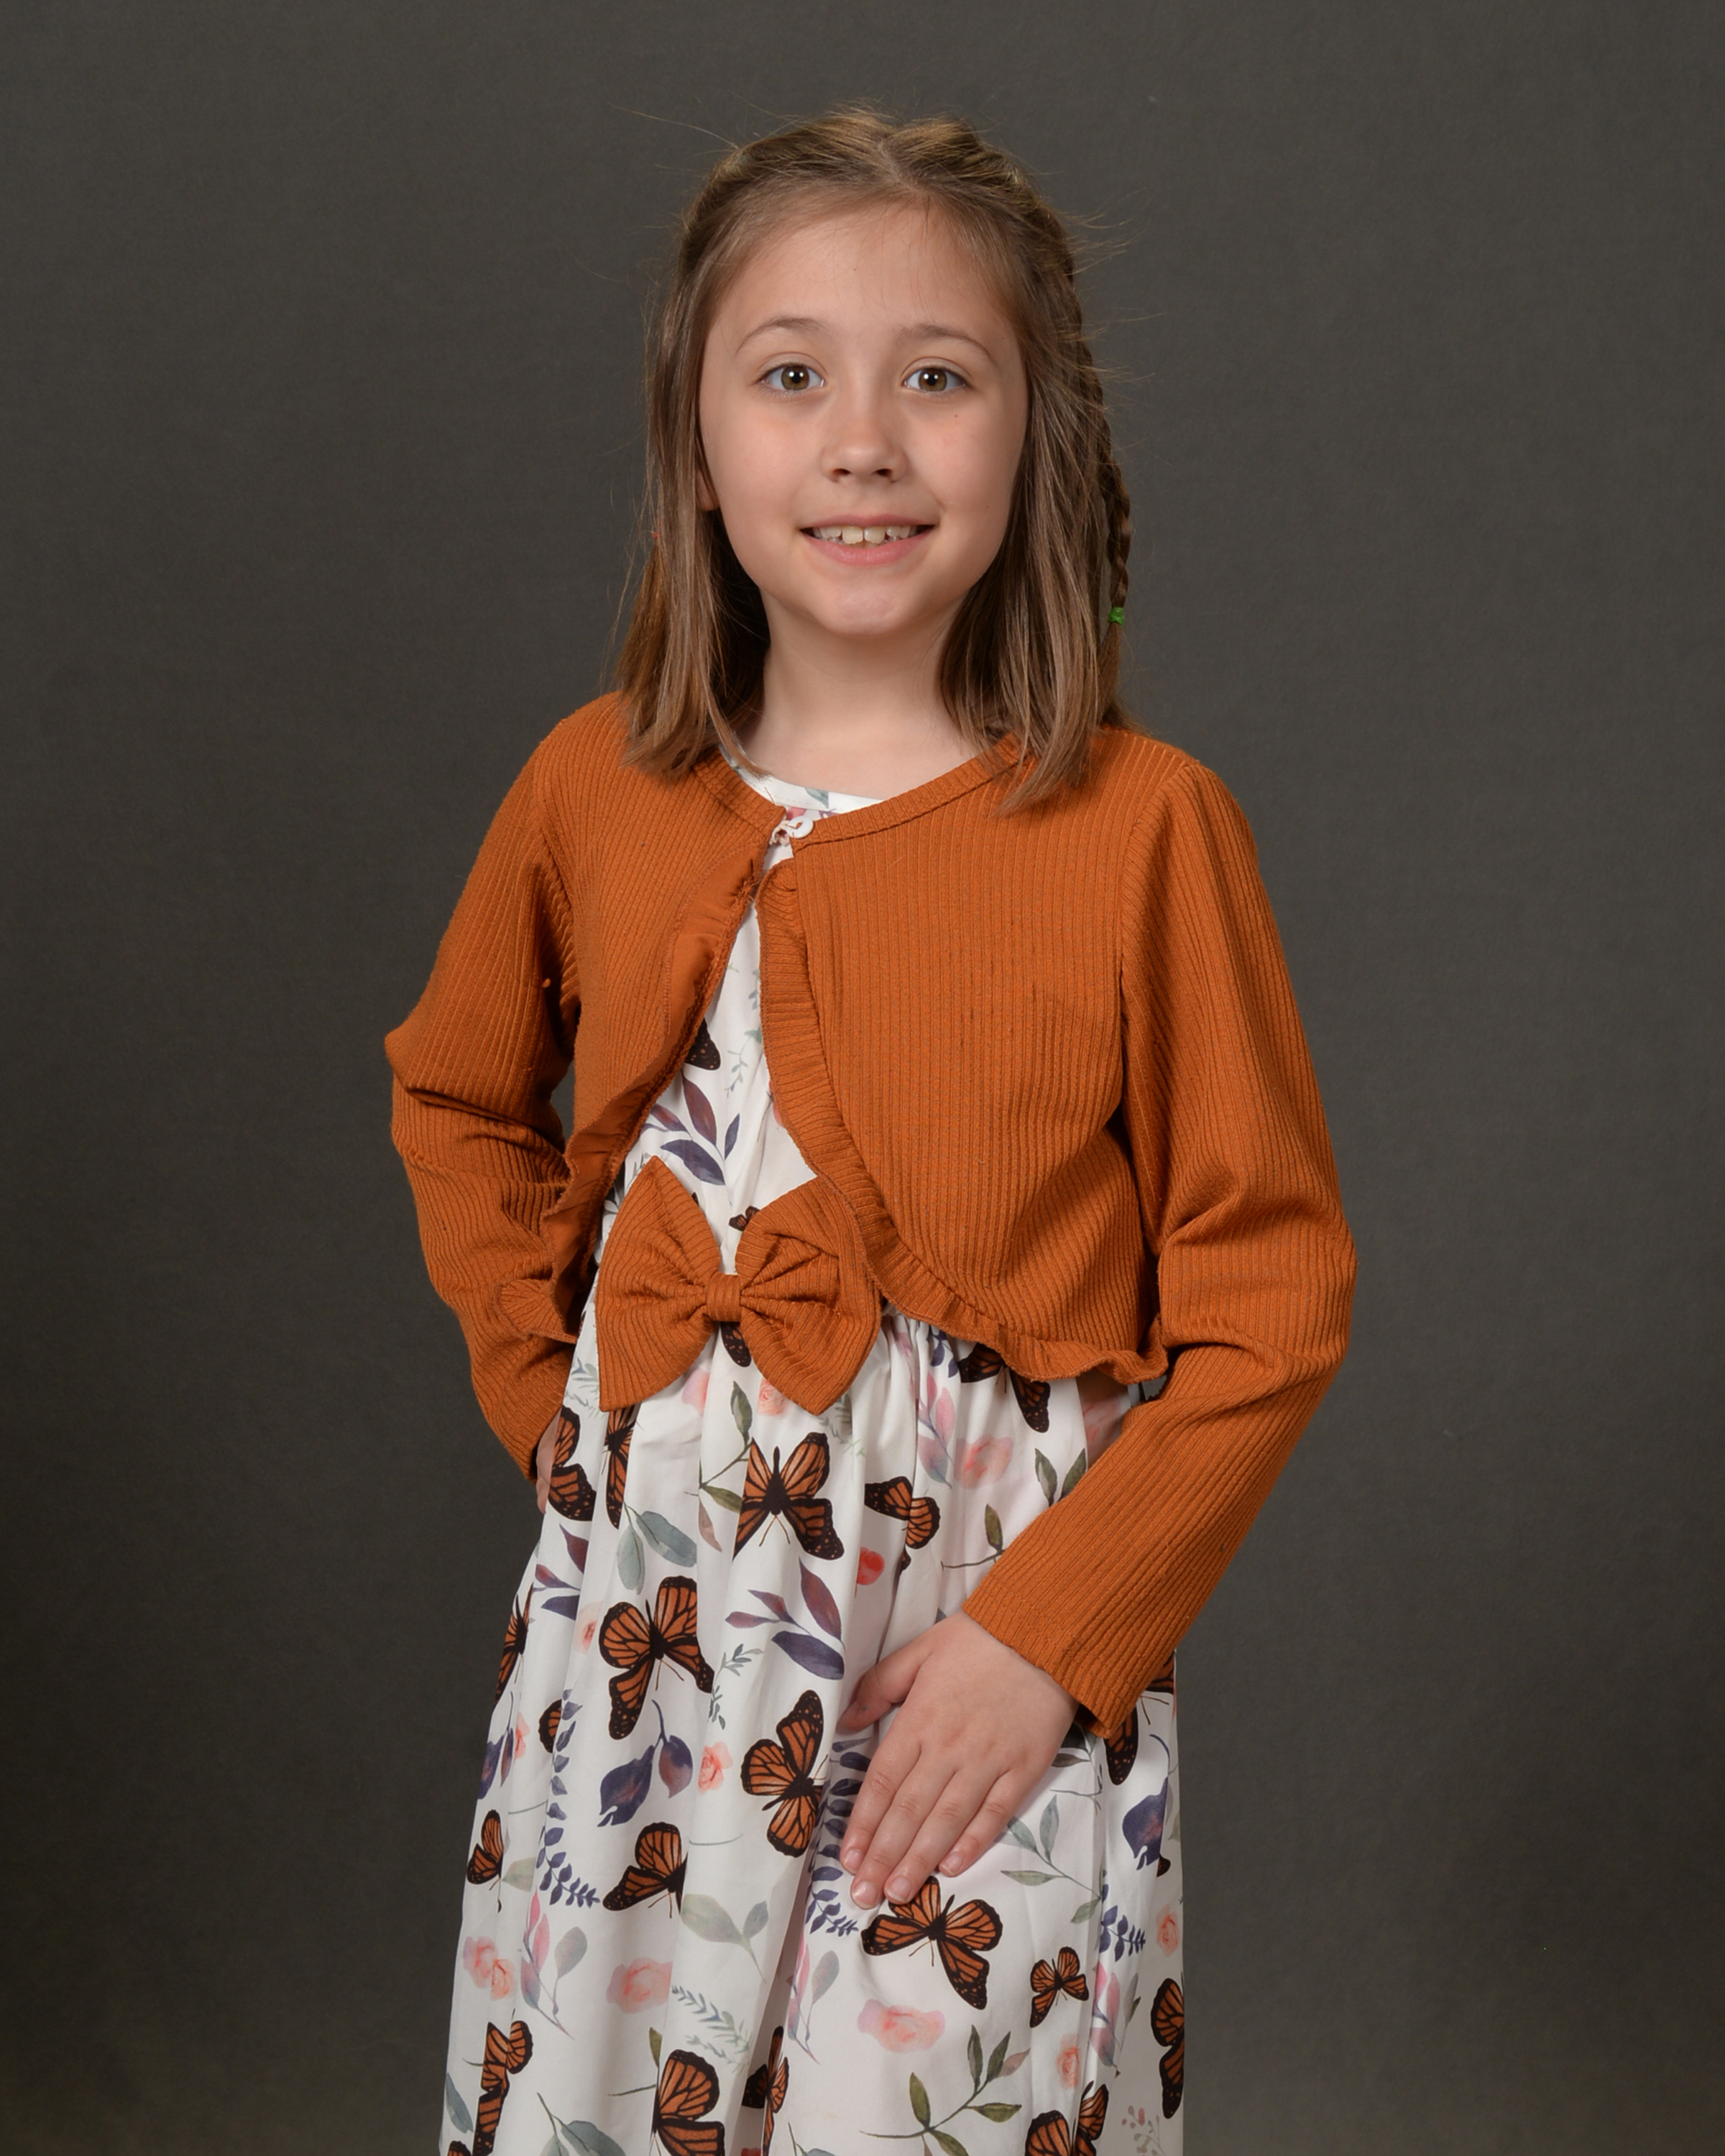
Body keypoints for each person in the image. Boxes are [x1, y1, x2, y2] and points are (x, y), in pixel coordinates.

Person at [387, 107, 1354, 2156]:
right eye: (790, 375)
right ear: (696, 441)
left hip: (966, 1682)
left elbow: (1271, 1304)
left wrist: (1051, 1647)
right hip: (647, 1665)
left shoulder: (1144, 833)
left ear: (1035, 435)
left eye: (936, 376)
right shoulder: (592, 791)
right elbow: (458, 1090)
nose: (862, 442)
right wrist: (548, 1393)